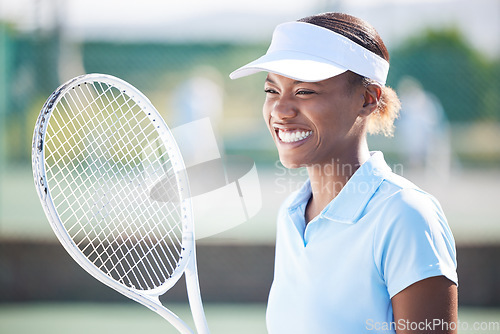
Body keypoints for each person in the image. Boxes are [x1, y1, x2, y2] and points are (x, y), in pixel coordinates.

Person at [230, 12, 458, 334]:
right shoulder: (291, 216)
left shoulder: (405, 215)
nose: (280, 110)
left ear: (367, 99)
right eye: (271, 91)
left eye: (305, 91)